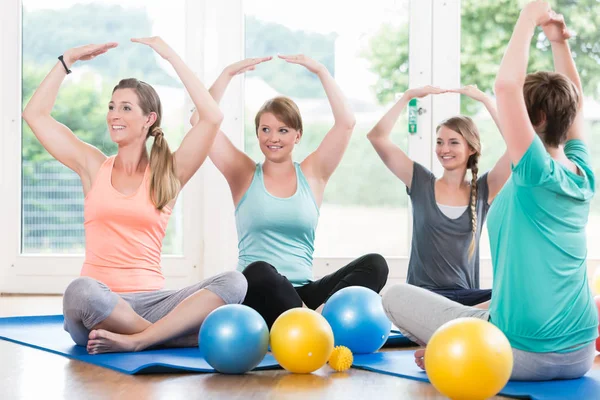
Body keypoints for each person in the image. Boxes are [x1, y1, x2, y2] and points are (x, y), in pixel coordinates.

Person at [382, 1, 598, 381]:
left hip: (517, 353)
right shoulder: (583, 173)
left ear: (538, 120)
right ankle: (458, 344)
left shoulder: (534, 170)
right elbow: (574, 100)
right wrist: (558, 42)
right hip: (580, 353)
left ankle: (457, 350)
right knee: (486, 306)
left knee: (394, 297)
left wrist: (530, 17)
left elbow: (505, 85)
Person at [22, 37, 247, 355]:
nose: (114, 114)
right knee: (79, 291)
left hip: (152, 304)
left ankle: (139, 339)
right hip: (98, 307)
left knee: (235, 282)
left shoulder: (169, 173)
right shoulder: (93, 166)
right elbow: (35, 115)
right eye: (112, 106)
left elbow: (211, 117)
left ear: (149, 119)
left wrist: (170, 56)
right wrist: (67, 59)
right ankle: (166, 336)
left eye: (126, 108)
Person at [191, 55, 388, 328]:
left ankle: (310, 321)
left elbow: (346, 122)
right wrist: (226, 73)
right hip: (260, 293)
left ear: (297, 135)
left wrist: (320, 71)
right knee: (258, 271)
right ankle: (315, 324)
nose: (273, 138)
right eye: (266, 130)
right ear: (257, 133)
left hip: (304, 294)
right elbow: (199, 120)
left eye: (283, 130)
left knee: (375, 265)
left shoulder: (313, 174)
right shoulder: (243, 173)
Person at [367, 85, 510, 306]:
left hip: (463, 302)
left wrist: (486, 101)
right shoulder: (420, 181)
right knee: (395, 296)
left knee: (512, 295)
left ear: (471, 148)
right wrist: (408, 96)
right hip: (422, 297)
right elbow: (377, 137)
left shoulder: (483, 190)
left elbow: (520, 148)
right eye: (439, 142)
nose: (444, 149)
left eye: (453, 142)